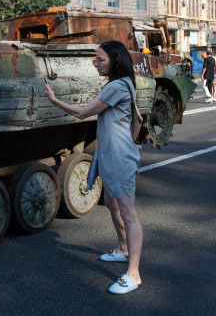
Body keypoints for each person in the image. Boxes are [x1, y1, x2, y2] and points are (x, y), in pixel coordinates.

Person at [44, 40, 143, 295]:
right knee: (111, 203)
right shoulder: (122, 83)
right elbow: (137, 119)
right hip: (111, 154)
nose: (95, 63)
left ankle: (134, 274)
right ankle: (123, 249)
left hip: (119, 157)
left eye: (100, 59)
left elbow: (81, 113)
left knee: (128, 214)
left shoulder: (116, 86)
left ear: (115, 61)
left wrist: (54, 100)